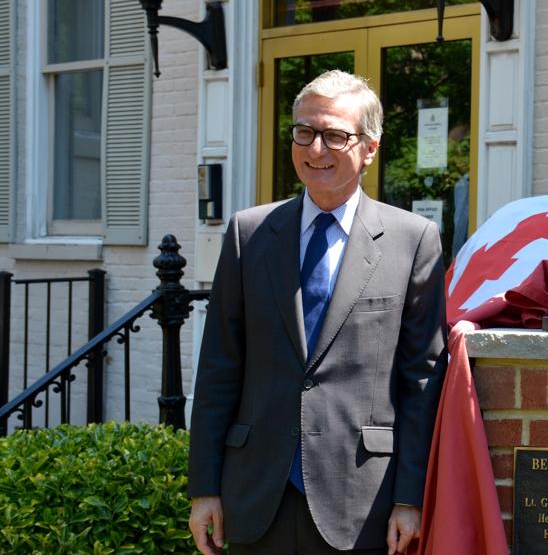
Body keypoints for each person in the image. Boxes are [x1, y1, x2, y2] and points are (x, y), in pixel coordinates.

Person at [187, 70, 448, 554]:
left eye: (334, 135)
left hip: (361, 500)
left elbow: (422, 381)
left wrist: (410, 498)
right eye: (304, 132)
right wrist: (204, 489)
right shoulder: (249, 234)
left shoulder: (414, 241)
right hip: (255, 495)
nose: (315, 149)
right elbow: (219, 367)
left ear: (369, 148)